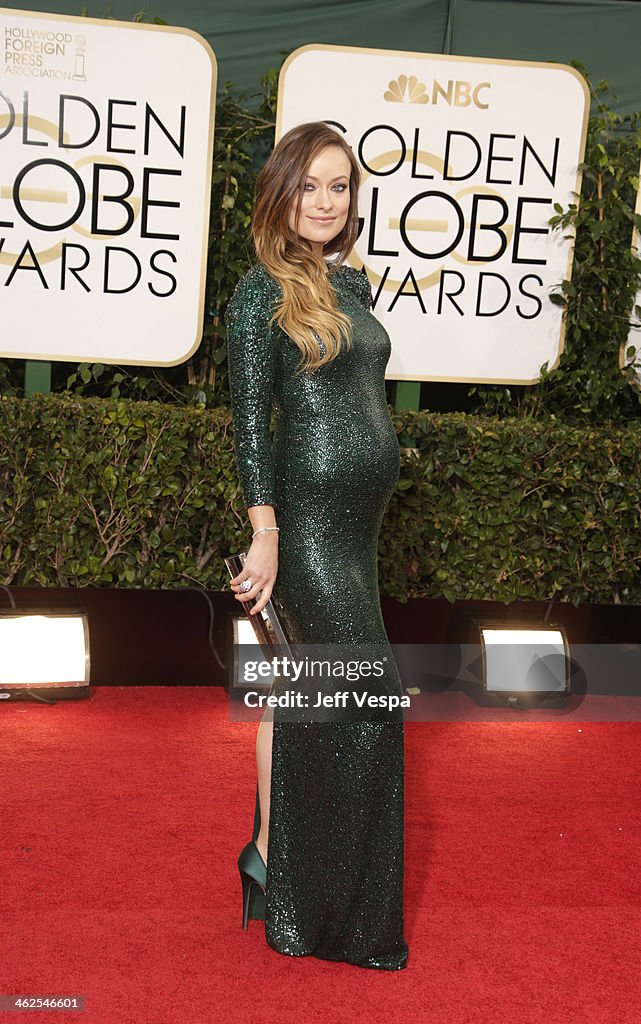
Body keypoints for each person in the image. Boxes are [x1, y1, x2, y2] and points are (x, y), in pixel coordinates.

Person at [224, 121, 408, 971]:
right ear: (281, 192)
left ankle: (270, 860)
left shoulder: (355, 285)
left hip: (357, 532)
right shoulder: (260, 292)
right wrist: (265, 535)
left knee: (304, 698)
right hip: (303, 533)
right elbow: (252, 426)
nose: (327, 202)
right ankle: (329, 912)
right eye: (311, 186)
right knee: (362, 710)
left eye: (340, 186)